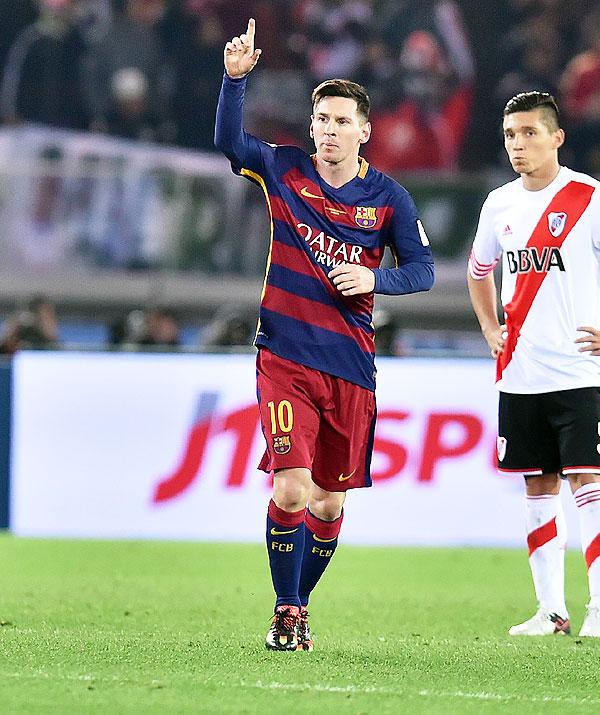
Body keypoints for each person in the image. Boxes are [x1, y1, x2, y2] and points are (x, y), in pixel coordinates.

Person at [214, 18, 434, 651]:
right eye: (322, 120)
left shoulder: (389, 198)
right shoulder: (282, 170)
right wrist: (235, 80)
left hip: (350, 366)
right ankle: (286, 610)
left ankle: (298, 603)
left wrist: (372, 278)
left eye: (343, 121)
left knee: (331, 506)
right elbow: (230, 142)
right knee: (290, 485)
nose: (330, 130)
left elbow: (420, 271)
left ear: (364, 131)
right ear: (311, 126)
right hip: (283, 355)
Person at [467, 91, 600, 638]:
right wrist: (490, 328)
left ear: (557, 137)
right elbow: (478, 270)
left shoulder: (592, 198)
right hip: (519, 374)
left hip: (578, 372)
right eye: (510, 135)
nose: (518, 145)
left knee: (588, 480)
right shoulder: (498, 204)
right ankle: (550, 611)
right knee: (537, 486)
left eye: (530, 133)